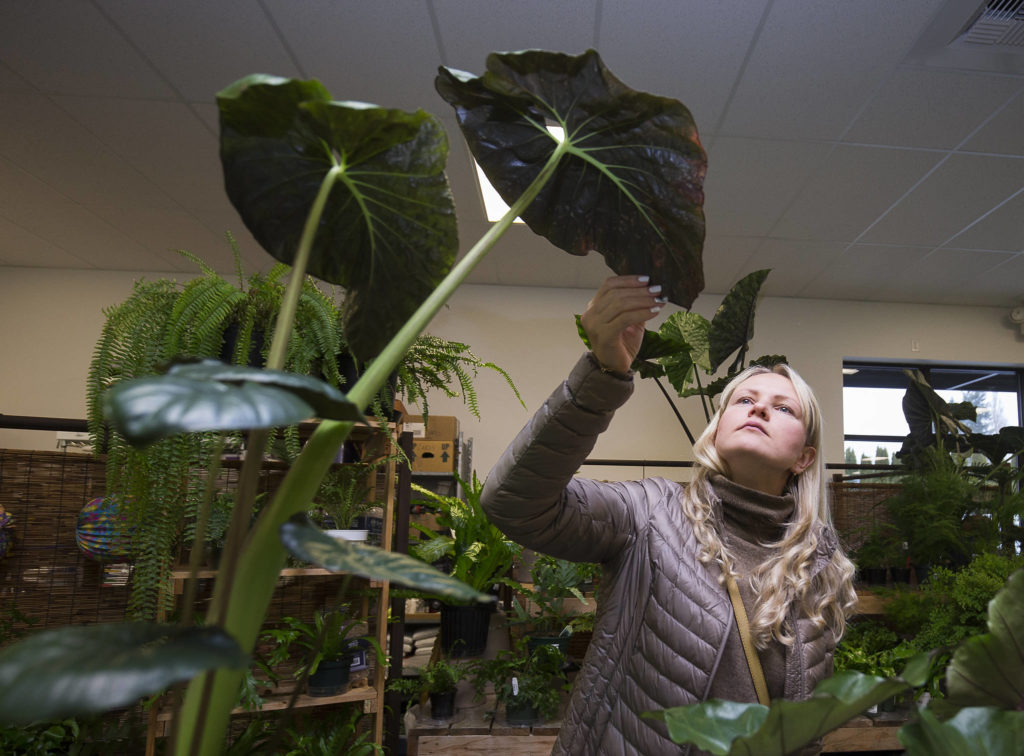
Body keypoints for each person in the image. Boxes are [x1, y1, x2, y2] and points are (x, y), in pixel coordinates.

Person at [481, 274, 857, 755]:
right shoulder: (651, 513)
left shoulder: (818, 566)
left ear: (804, 457)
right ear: (718, 427)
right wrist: (600, 376)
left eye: (782, 408)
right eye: (744, 400)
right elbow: (514, 502)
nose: (759, 409)